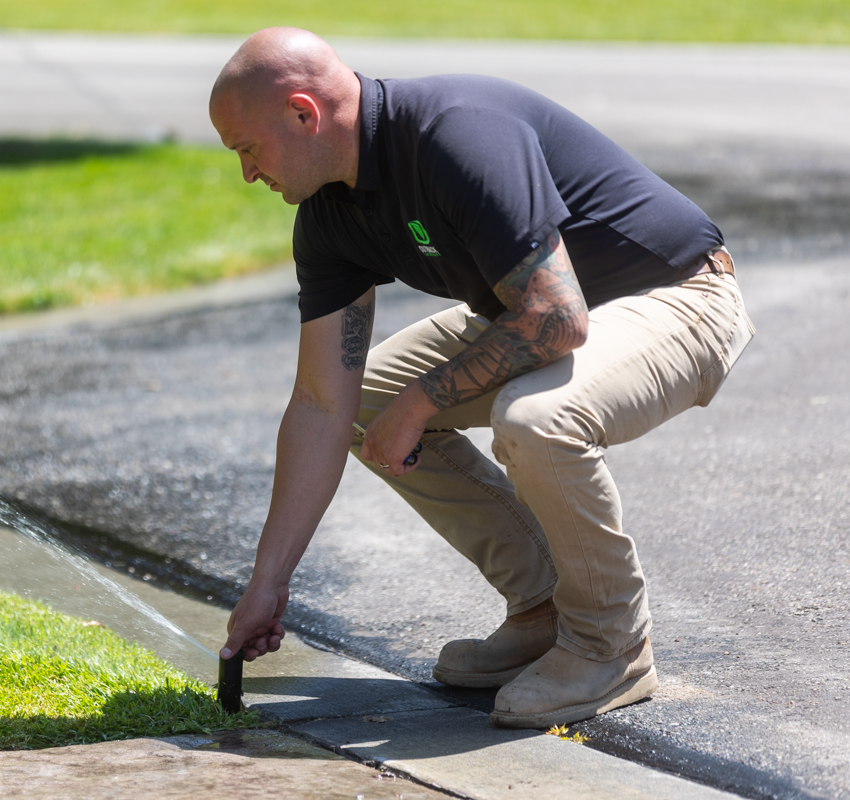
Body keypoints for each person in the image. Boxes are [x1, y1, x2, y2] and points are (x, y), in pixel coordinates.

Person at [209, 27, 754, 729]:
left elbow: (558, 318)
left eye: (246, 149)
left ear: (303, 113)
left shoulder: (454, 134)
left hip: (682, 294)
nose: (248, 174)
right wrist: (268, 582)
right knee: (361, 401)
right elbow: (320, 401)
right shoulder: (328, 215)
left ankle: (610, 644)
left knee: (535, 420)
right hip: (546, 309)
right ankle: (544, 608)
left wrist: (423, 400)